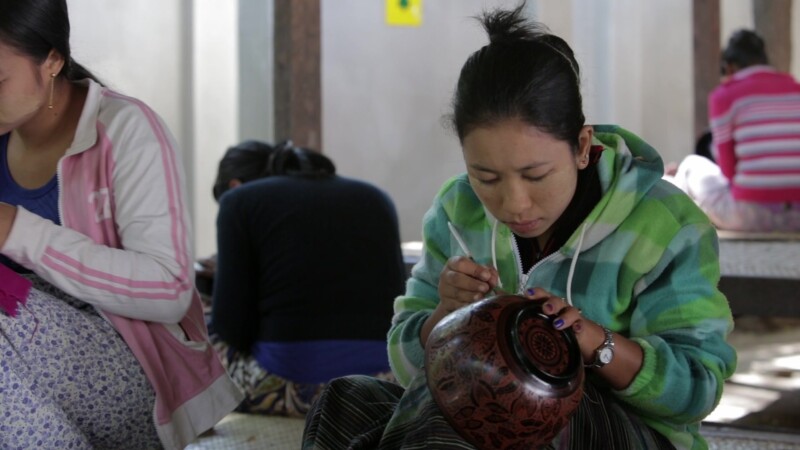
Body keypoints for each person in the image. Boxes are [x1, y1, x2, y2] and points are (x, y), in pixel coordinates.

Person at [302, 5, 737, 450]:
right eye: (486, 177)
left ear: (582, 147)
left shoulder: (664, 223)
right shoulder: (457, 209)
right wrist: (442, 318)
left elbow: (697, 390)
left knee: (482, 396)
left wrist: (593, 342)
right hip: (477, 420)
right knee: (347, 400)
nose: (513, 204)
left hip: (622, 433)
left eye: (536, 176)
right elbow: (406, 366)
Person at [0, 1, 242, 449]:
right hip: (25, 378)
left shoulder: (126, 129)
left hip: (136, 370)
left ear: (52, 60)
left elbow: (169, 292)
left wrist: (17, 230)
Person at [208, 140, 407, 417]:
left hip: (293, 383)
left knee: (199, 324)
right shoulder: (376, 196)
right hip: (383, 383)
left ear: (233, 185)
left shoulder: (238, 202)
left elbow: (232, 330)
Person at [666, 29, 800, 232]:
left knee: (690, 165)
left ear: (728, 68)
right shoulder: (795, 89)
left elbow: (728, 170)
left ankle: (671, 189)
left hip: (750, 215)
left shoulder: (724, 96)